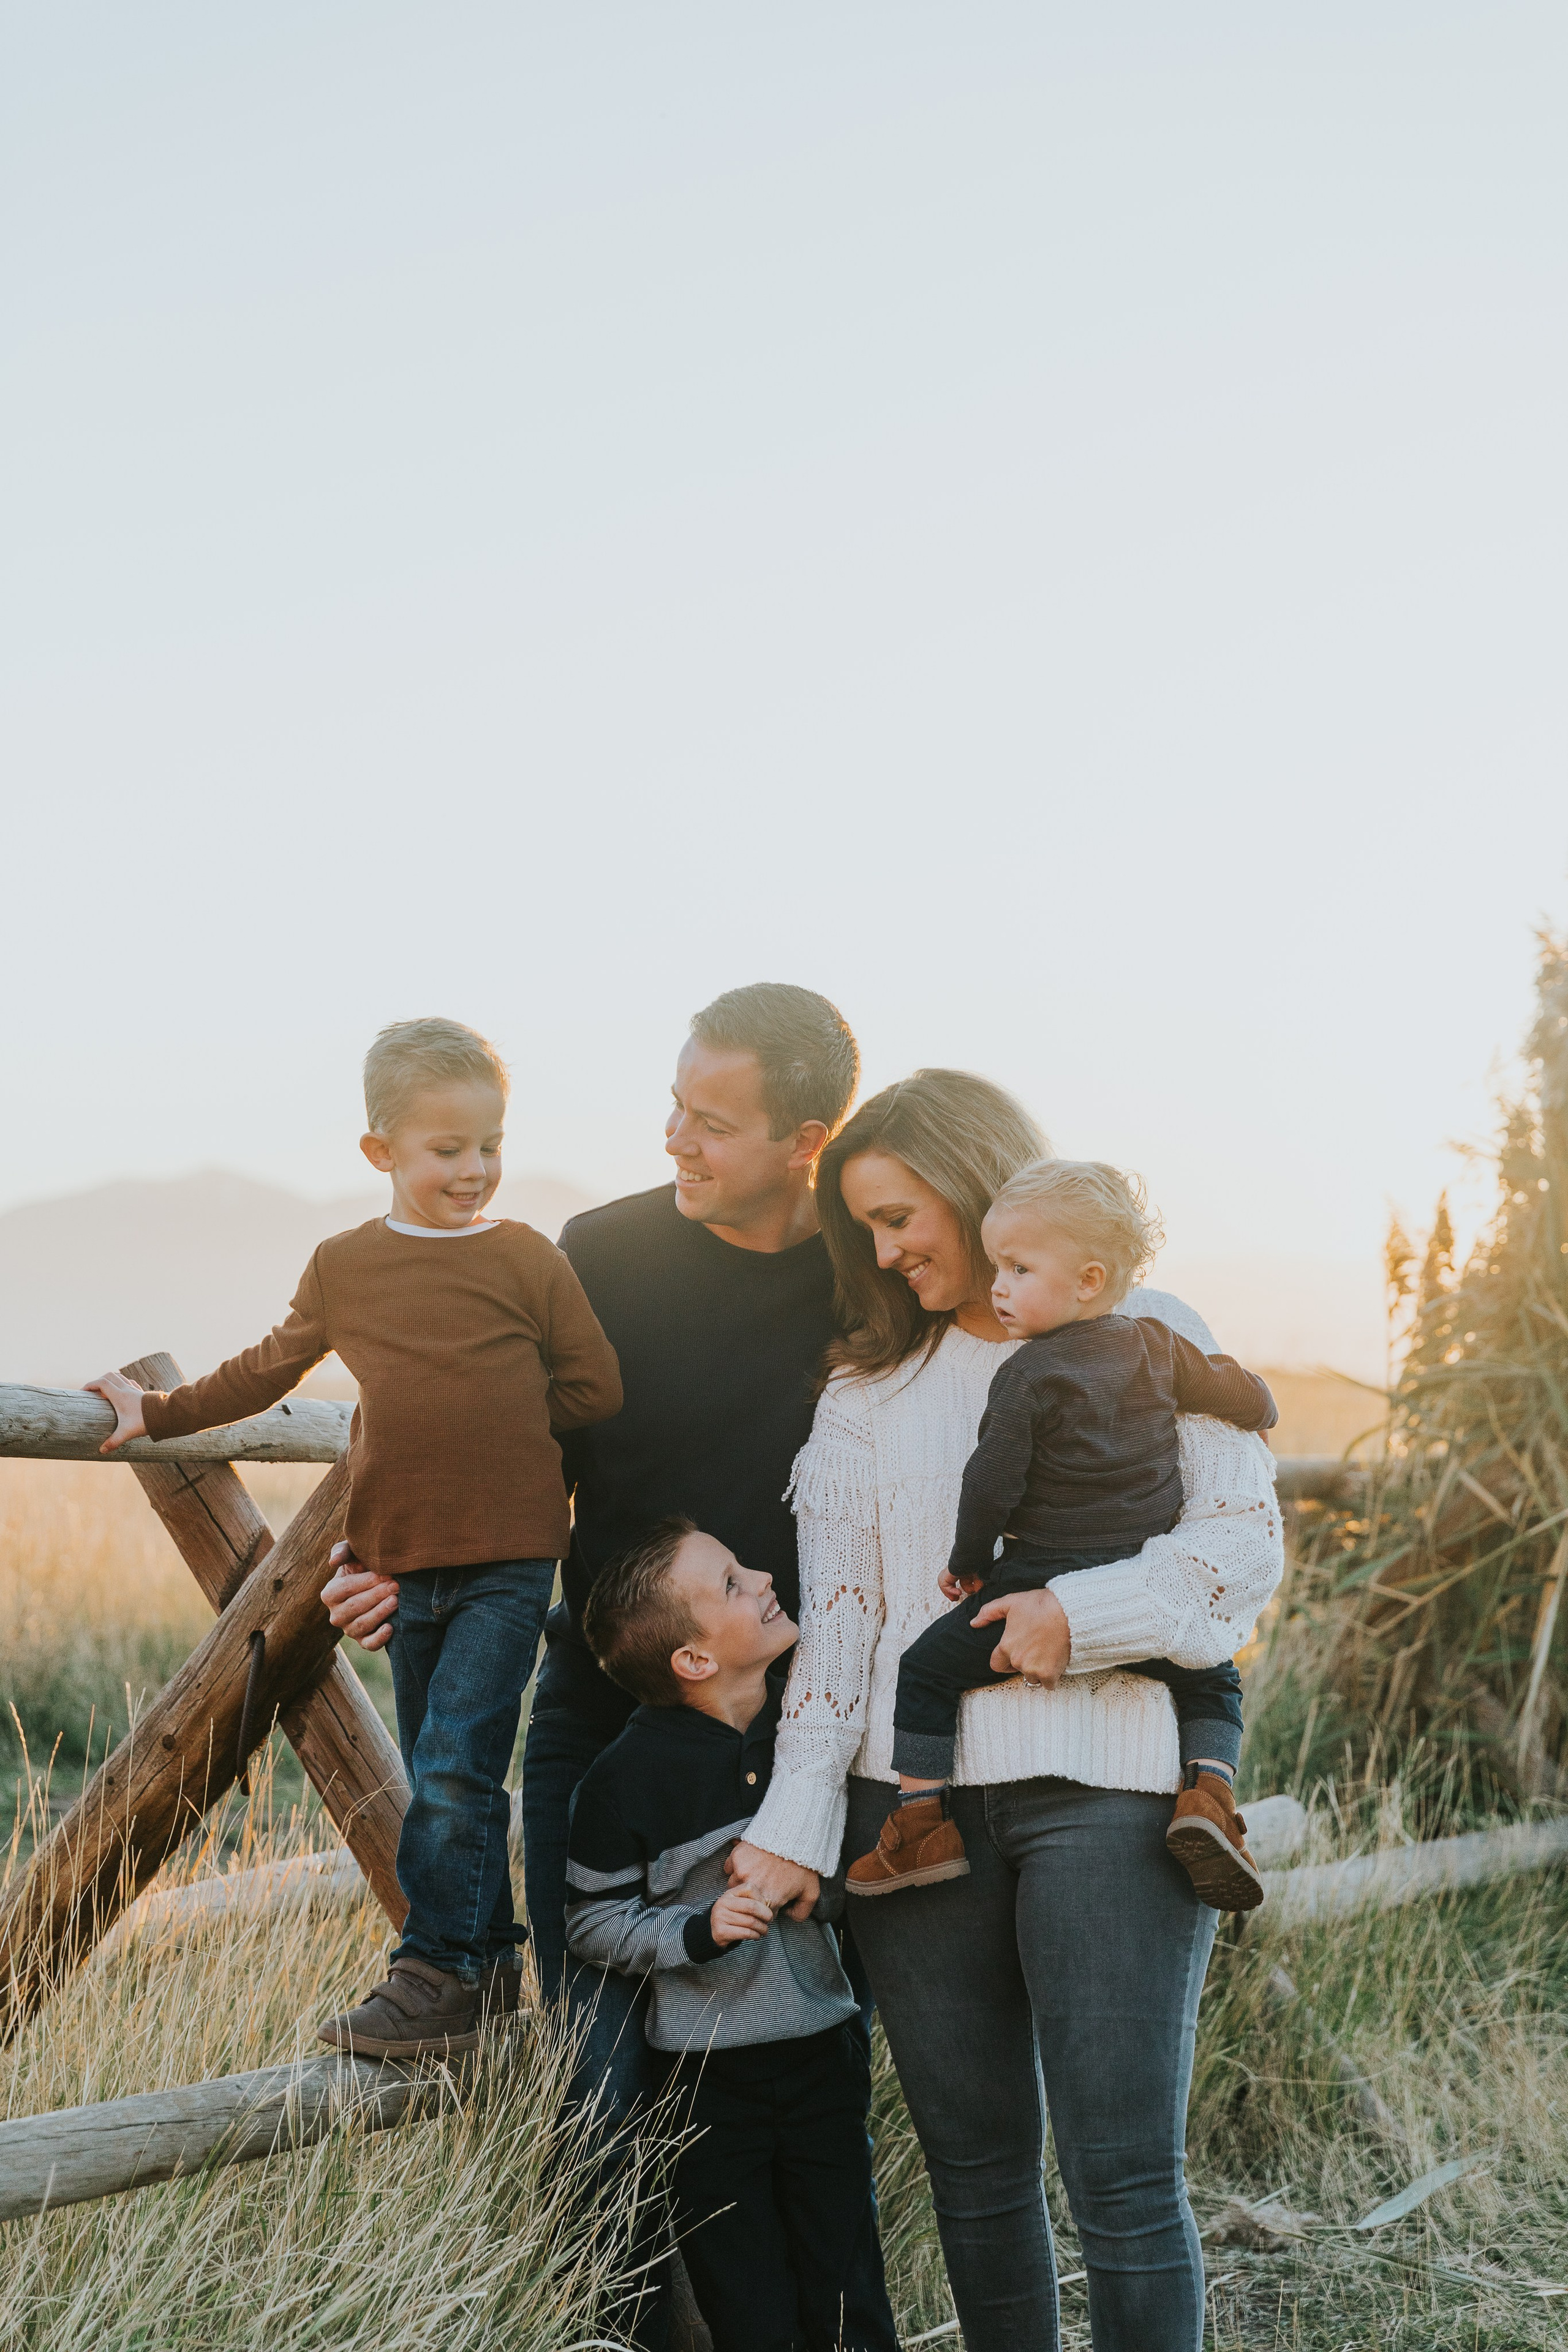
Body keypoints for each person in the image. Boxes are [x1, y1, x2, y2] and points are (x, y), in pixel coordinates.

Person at [320, 982, 867, 2345]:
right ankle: (619, 2330)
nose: (673, 1137)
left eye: (712, 1122)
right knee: (599, 2072)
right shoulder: (602, 1248)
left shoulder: (861, 1270)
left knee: (792, 2064)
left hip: (786, 1720)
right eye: (673, 1106)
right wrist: (384, 1550)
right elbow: (477, 1411)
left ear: (807, 1138)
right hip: (597, 1701)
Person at [725, 1069, 1284, 2352]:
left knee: (1124, 2184)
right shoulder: (864, 1395)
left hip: (1108, 1788)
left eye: (899, 1213)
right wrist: (800, 1823)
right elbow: (844, 1632)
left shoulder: (1145, 1330)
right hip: (908, 1810)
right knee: (974, 2183)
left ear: (973, 1183)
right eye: (860, 1227)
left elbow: (1239, 1545)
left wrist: (1074, 1619)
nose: (883, 1250)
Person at [86, 1017, 621, 2059]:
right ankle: (488, 1954)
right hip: (402, 1559)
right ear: (382, 1151)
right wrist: (158, 1414)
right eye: (448, 1149)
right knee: (436, 1769)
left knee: (463, 1765)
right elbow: (267, 1369)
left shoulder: (527, 1260)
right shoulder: (345, 1266)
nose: (477, 1170)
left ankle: (437, 1971)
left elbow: (594, 1385)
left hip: (509, 1557)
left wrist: (500, 1435)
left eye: (491, 1145)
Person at [847, 1155, 1276, 1912]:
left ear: (1086, 1279)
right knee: (1211, 1671)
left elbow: (990, 1484)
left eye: (1016, 1268)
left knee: (927, 1670)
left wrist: (967, 1562)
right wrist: (1263, 1403)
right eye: (994, 1267)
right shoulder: (1157, 1345)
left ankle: (919, 1823)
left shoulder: (1026, 1374)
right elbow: (1231, 1391)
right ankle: (1208, 1796)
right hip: (1138, 1575)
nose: (998, 1286)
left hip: (1038, 1583)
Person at [565, 1517, 899, 2352]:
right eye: (730, 1584)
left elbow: (859, 1864)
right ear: (695, 1661)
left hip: (824, 2052)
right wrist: (694, 1930)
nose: (760, 1577)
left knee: (850, 2286)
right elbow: (591, 1921)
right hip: (708, 2086)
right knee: (748, 2300)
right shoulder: (623, 1780)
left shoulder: (811, 1734)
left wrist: (821, 1893)